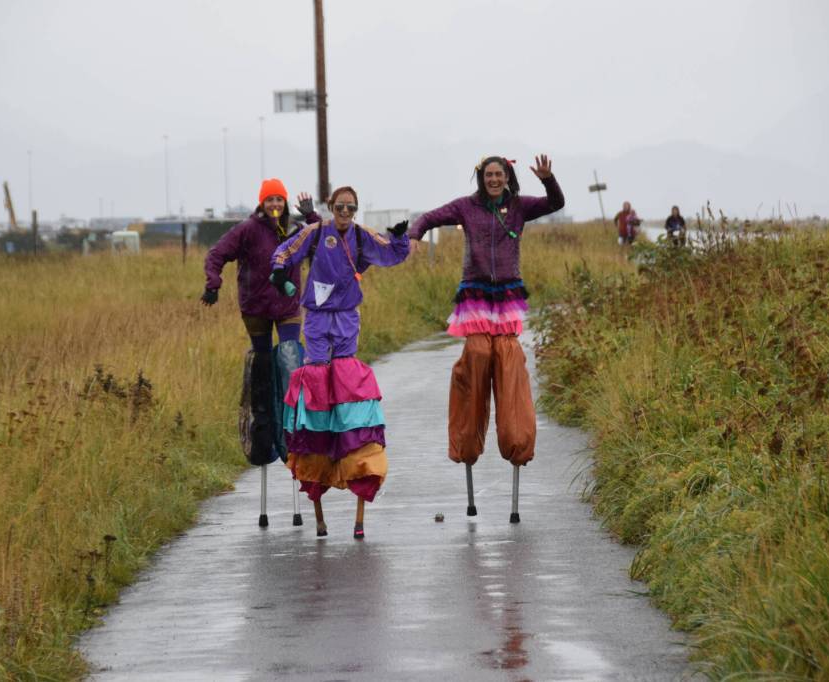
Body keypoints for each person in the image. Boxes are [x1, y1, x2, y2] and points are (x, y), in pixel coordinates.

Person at [408, 154, 564, 522]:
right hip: (476, 295)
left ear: (508, 177)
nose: (494, 180)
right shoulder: (466, 207)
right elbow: (429, 218)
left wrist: (548, 179)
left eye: (500, 175)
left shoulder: (519, 208)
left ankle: (517, 441)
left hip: (507, 295)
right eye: (489, 175)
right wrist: (415, 235)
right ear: (481, 178)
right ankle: (465, 441)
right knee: (478, 352)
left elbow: (556, 204)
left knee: (508, 360)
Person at [270, 185, 410, 539]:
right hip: (317, 318)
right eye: (341, 207)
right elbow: (285, 251)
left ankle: (359, 475)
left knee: (349, 391)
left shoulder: (362, 237)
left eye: (352, 207)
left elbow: (392, 254)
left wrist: (401, 237)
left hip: (347, 317)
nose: (346, 212)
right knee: (316, 390)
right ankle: (316, 483)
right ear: (331, 207)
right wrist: (278, 273)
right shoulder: (316, 232)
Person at [201, 178, 320, 527]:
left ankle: (292, 436)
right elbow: (216, 254)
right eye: (269, 200)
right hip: (254, 307)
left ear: (285, 202)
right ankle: (264, 433)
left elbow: (326, 241)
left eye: (279, 200)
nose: (274, 205)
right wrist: (213, 283)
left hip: (287, 307)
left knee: (289, 362)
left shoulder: (297, 229)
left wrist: (311, 213)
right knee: (264, 366)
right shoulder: (248, 230)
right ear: (261, 202)